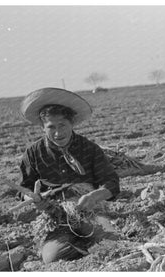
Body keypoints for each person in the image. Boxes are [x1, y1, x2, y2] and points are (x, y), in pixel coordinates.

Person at [19, 87, 120, 263]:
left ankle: (90, 239)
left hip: (88, 211)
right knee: (52, 258)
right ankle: (81, 244)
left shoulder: (89, 148)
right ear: (42, 127)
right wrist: (33, 198)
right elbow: (24, 189)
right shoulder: (33, 153)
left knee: (112, 244)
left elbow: (111, 183)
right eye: (51, 127)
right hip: (54, 216)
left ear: (71, 123)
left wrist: (94, 195)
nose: (58, 133)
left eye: (62, 125)